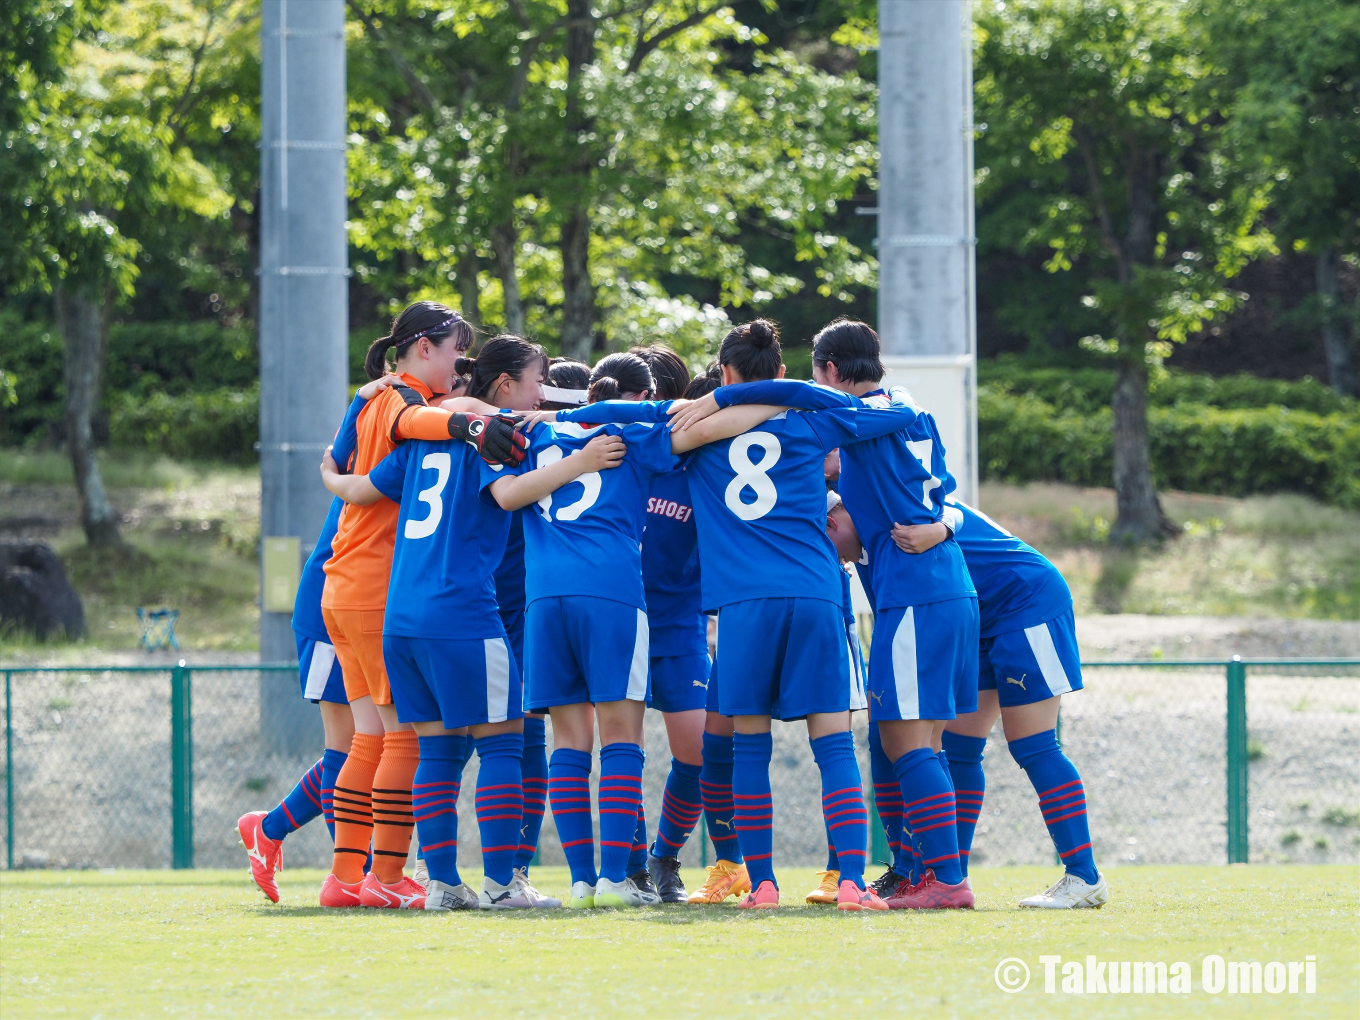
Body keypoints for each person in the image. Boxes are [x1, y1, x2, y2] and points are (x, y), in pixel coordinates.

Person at [674, 317, 979, 909]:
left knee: (753, 747)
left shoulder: (701, 433)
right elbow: (914, 447)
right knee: (841, 745)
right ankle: (850, 880)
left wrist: (712, 402)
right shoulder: (827, 422)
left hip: (746, 602)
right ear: (785, 373)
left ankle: (761, 885)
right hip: (821, 592)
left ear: (728, 373)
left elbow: (654, 435)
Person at [320, 338, 613, 910]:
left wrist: (330, 467)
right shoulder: (500, 434)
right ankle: (503, 886)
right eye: (536, 382)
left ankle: (441, 884)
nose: (541, 394)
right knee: (504, 743)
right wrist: (581, 461)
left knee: (435, 750)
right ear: (503, 386)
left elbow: (356, 490)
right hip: (462, 614)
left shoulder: (420, 439)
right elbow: (506, 494)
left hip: (399, 618)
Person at [512, 351, 792, 908]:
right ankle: (624, 871)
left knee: (685, 752)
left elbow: (502, 494)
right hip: (615, 607)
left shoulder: (552, 441)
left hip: (653, 623)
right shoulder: (635, 440)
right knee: (619, 741)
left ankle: (647, 863)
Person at [318, 300, 525, 909]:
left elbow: (359, 469)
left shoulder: (380, 396)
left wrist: (338, 451)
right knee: (407, 742)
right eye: (457, 347)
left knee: (368, 740)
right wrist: (470, 425)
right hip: (386, 588)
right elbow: (419, 426)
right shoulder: (408, 404)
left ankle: (345, 877)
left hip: (349, 585)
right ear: (426, 347)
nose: (463, 361)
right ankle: (386, 876)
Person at [887, 500, 1108, 908]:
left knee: (1034, 744)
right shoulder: (876, 488)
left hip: (1026, 601)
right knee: (959, 750)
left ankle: (1084, 877)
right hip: (981, 616)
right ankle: (950, 878)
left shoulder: (901, 484)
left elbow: (952, 514)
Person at [236, 373, 395, 902]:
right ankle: (352, 874)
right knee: (348, 748)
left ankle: (272, 829)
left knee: (361, 745)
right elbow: (340, 449)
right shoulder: (386, 431)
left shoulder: (386, 428)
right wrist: (360, 398)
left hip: (357, 603)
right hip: (332, 605)